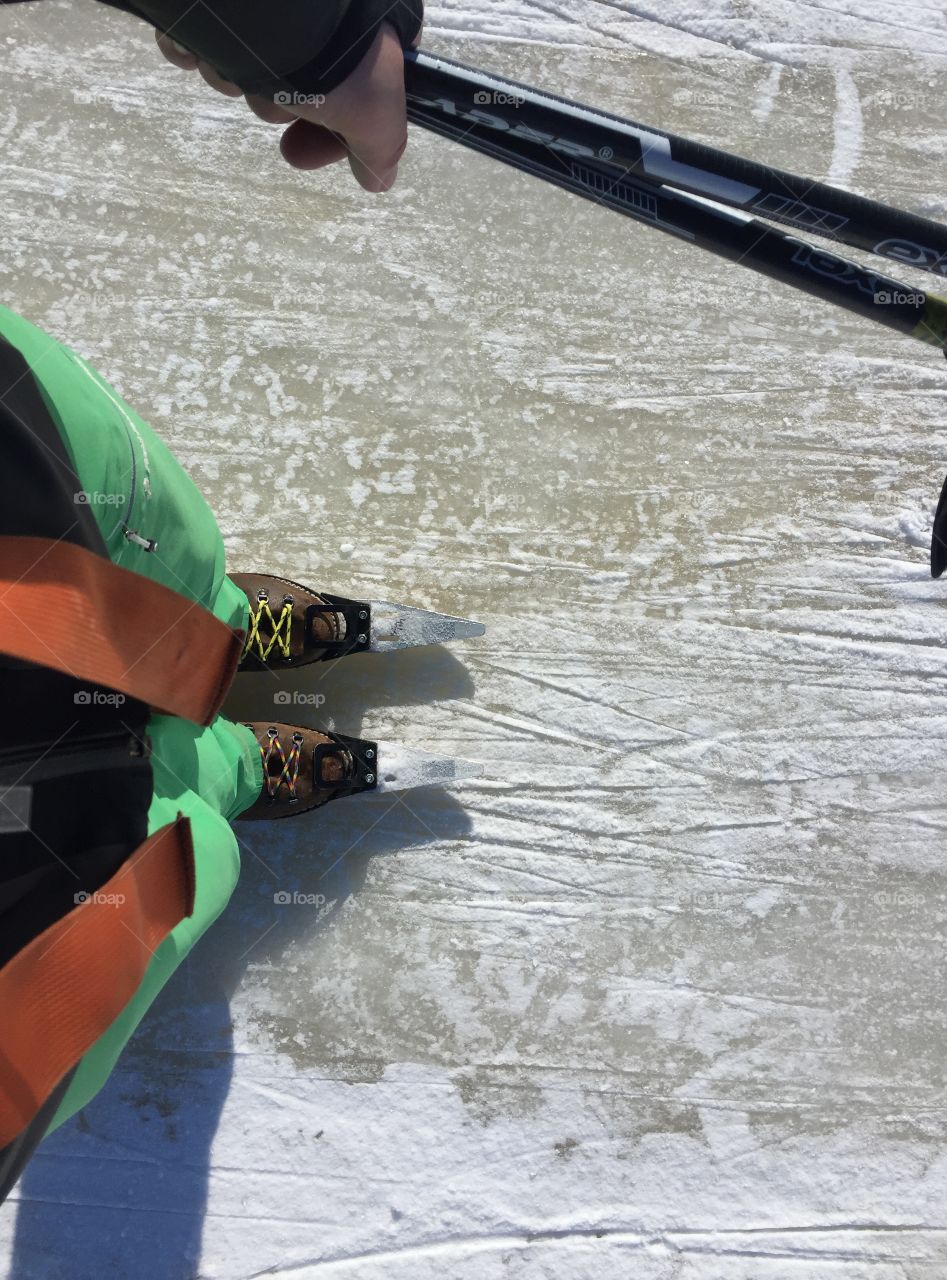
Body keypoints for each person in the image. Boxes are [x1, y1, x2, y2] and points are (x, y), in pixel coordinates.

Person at [0, 0, 423, 1202]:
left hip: (30, 500)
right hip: (27, 973)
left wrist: (303, 27)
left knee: (151, 595)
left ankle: (216, 648)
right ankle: (228, 758)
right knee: (181, 848)